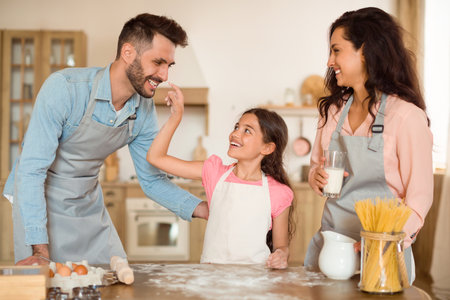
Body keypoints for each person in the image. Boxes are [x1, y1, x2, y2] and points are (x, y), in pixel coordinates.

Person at [2, 13, 208, 265]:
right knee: (48, 283)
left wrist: (204, 209)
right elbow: (32, 171)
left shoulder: (143, 110)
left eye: (169, 66)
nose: (164, 75)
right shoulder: (65, 89)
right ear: (128, 52)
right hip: (38, 196)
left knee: (113, 274)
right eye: (158, 62)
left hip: (86, 199)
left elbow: (152, 180)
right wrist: (40, 252)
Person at [305, 7, 433, 284]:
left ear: (365, 51)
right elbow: (316, 165)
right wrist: (315, 175)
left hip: (382, 254)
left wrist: (386, 241)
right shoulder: (332, 112)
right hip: (332, 249)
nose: (329, 61)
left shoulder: (406, 116)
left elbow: (419, 198)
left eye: (336, 50)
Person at [147, 85, 294, 269]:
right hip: (212, 276)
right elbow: (156, 157)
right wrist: (176, 117)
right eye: (237, 127)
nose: (235, 134)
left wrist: (281, 254)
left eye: (247, 131)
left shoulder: (279, 192)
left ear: (267, 148)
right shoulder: (214, 173)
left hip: (255, 279)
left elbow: (282, 246)